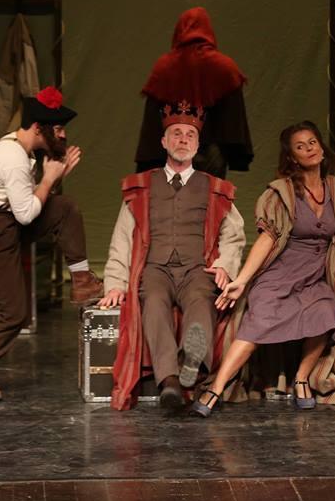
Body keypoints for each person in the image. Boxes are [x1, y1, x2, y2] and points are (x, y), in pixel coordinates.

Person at [190, 121, 335, 417]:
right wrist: (243, 280)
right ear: (292, 157)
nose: (309, 149)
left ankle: (302, 378)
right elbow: (267, 239)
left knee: (326, 312)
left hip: (316, 276)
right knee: (259, 320)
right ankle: (216, 388)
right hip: (280, 274)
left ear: (322, 148)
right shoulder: (282, 193)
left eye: (313, 142)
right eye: (300, 146)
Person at [0, 86, 103, 401]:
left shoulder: (22, 151)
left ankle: (81, 280)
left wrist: (55, 178)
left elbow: (28, 202)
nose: (63, 135)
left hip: (4, 222)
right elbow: (25, 214)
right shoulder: (12, 157)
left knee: (64, 208)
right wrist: (49, 179)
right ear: (38, 128)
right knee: (14, 311)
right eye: (58, 129)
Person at [98, 101, 246, 410]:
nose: (183, 140)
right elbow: (122, 238)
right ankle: (170, 381)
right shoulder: (141, 187)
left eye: (190, 135)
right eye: (176, 134)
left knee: (202, 299)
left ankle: (191, 359)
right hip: (155, 268)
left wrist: (224, 266)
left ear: (197, 144)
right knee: (153, 302)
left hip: (196, 268)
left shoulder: (215, 188)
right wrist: (115, 283)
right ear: (164, 142)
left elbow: (233, 235)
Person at [134, 7, 253, 177]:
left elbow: (152, 122)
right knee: (210, 193)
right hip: (212, 152)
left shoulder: (164, 67)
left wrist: (149, 159)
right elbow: (233, 118)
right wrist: (234, 153)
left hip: (171, 150)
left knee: (171, 192)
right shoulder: (224, 67)